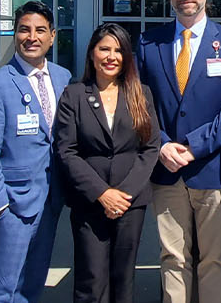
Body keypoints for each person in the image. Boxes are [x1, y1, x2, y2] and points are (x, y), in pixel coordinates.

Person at [137, 0, 221, 303]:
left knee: (215, 259)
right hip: (166, 169)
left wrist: (191, 146)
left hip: (213, 169)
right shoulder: (148, 43)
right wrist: (163, 144)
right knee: (172, 258)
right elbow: (139, 103)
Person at [0, 0, 73, 303]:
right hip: (13, 205)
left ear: (52, 36)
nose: (32, 37)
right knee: (4, 287)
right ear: (15, 34)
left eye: (40, 30)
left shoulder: (63, 78)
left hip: (51, 199)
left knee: (33, 281)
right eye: (24, 30)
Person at [54, 24, 160, 303]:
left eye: (118, 50)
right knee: (91, 280)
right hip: (90, 202)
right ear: (92, 54)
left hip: (130, 203)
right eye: (104, 49)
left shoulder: (141, 94)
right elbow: (67, 151)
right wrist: (102, 193)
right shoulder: (74, 95)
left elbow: (150, 148)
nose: (111, 56)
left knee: (123, 279)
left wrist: (123, 194)